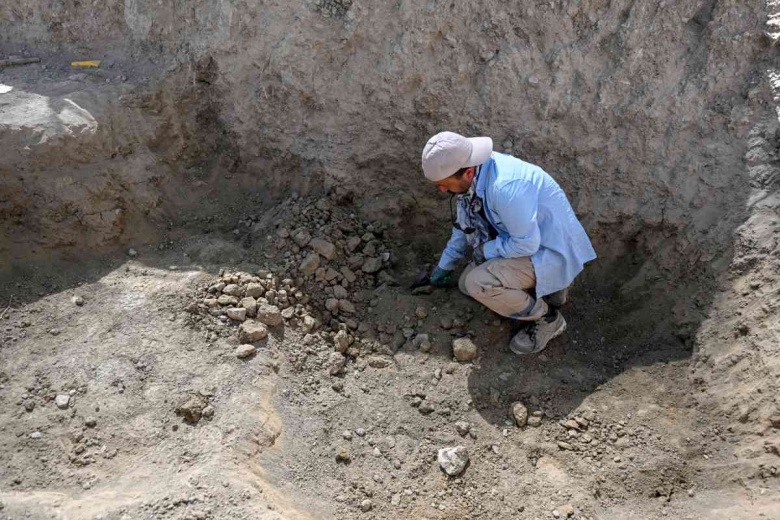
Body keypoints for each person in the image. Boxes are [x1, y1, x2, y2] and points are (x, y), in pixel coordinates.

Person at [421, 131, 596, 354]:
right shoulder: (474, 176)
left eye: (444, 184)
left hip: (548, 250)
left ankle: (548, 318)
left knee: (478, 284)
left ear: (468, 172)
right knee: (466, 284)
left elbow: (526, 245)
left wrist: (485, 250)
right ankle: (543, 290)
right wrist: (443, 267)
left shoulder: (505, 188)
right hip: (523, 240)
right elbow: (464, 227)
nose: (442, 190)